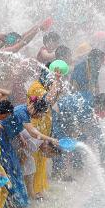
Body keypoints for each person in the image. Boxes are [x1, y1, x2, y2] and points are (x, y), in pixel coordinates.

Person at [0, 98, 59, 208]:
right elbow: (33, 133)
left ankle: (17, 200)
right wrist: (51, 139)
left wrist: (20, 136)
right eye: (40, 114)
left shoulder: (23, 111)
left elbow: (14, 124)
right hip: (2, 139)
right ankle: (14, 201)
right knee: (13, 170)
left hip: (7, 138)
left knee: (15, 170)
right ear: (35, 109)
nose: (39, 117)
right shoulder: (22, 112)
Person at [27, 67, 62, 198]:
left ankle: (39, 188)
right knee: (35, 160)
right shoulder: (36, 87)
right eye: (51, 79)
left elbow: (53, 100)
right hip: (36, 127)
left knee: (42, 159)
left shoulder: (44, 86)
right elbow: (47, 100)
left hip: (43, 126)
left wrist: (58, 84)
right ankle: (33, 191)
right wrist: (56, 82)